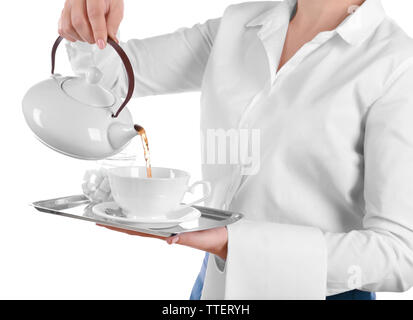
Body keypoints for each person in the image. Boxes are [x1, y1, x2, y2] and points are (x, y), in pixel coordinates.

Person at [59, 0, 413, 300]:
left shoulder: (395, 63)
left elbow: (399, 255)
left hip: (321, 291)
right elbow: (110, 76)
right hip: (215, 284)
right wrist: (90, 22)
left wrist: (238, 245)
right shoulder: (239, 24)